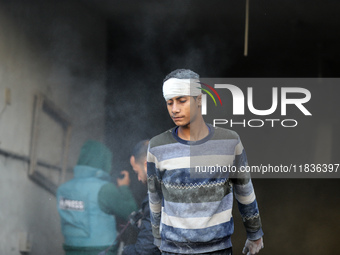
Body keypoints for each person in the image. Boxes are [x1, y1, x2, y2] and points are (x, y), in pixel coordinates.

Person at [147, 69, 264, 255]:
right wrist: (157, 238)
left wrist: (254, 233)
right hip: (173, 251)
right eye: (169, 102)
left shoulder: (229, 141)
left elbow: (244, 190)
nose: (174, 109)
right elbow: (154, 196)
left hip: (218, 250)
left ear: (199, 99)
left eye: (181, 100)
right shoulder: (157, 146)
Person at [57, 140, 138, 255]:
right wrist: (124, 187)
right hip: (101, 250)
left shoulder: (63, 189)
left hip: (71, 248)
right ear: (104, 162)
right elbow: (131, 212)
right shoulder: (105, 189)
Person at [122, 140, 161, 255]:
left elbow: (144, 251)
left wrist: (125, 251)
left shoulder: (157, 197)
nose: (139, 178)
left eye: (137, 171)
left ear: (145, 165)